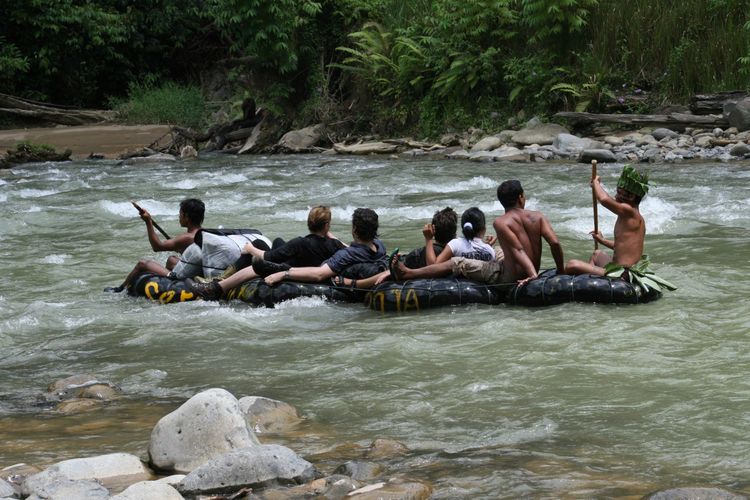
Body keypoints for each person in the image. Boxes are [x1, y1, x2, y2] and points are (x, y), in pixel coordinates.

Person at [389, 180, 564, 285]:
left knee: (457, 262)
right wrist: (560, 271)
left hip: (507, 279)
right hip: (529, 270)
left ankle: (408, 273)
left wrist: (532, 276)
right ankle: (409, 274)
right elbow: (555, 243)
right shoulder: (539, 217)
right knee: (496, 251)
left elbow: (518, 250)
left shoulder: (501, 222)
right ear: (520, 197)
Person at [187, 206, 346, 299]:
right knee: (277, 241)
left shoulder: (300, 242)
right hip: (308, 268)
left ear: (309, 223)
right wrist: (331, 235)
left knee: (257, 244)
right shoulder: (334, 245)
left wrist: (250, 249)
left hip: (290, 270)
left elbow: (268, 257)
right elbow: (348, 248)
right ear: (326, 226)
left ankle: (219, 281)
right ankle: (220, 278)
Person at [355, 206, 500, 288]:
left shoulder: (455, 244)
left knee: (381, 269)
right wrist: (485, 246)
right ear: (483, 229)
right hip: (472, 285)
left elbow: (433, 267)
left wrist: (428, 239)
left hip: (434, 277)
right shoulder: (489, 251)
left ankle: (353, 283)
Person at [262, 207, 387, 287]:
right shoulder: (378, 245)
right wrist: (329, 234)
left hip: (308, 273)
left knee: (277, 243)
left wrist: (284, 274)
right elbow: (356, 248)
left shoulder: (345, 255)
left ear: (354, 229)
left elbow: (319, 274)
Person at [105, 198, 205, 292]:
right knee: (171, 259)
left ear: (186, 217)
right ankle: (167, 281)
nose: (179, 216)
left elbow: (157, 246)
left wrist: (148, 222)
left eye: (180, 213)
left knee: (142, 264)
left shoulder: (187, 237)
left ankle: (120, 289)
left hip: (186, 278)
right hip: (198, 271)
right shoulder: (203, 233)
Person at [565, 165, 648, 276]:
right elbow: (622, 247)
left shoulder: (629, 211)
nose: (616, 195)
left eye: (619, 192)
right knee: (597, 254)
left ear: (632, 196)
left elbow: (604, 200)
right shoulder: (632, 215)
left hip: (623, 273)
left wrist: (596, 183)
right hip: (618, 268)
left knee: (572, 264)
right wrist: (603, 240)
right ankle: (589, 280)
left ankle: (589, 277)